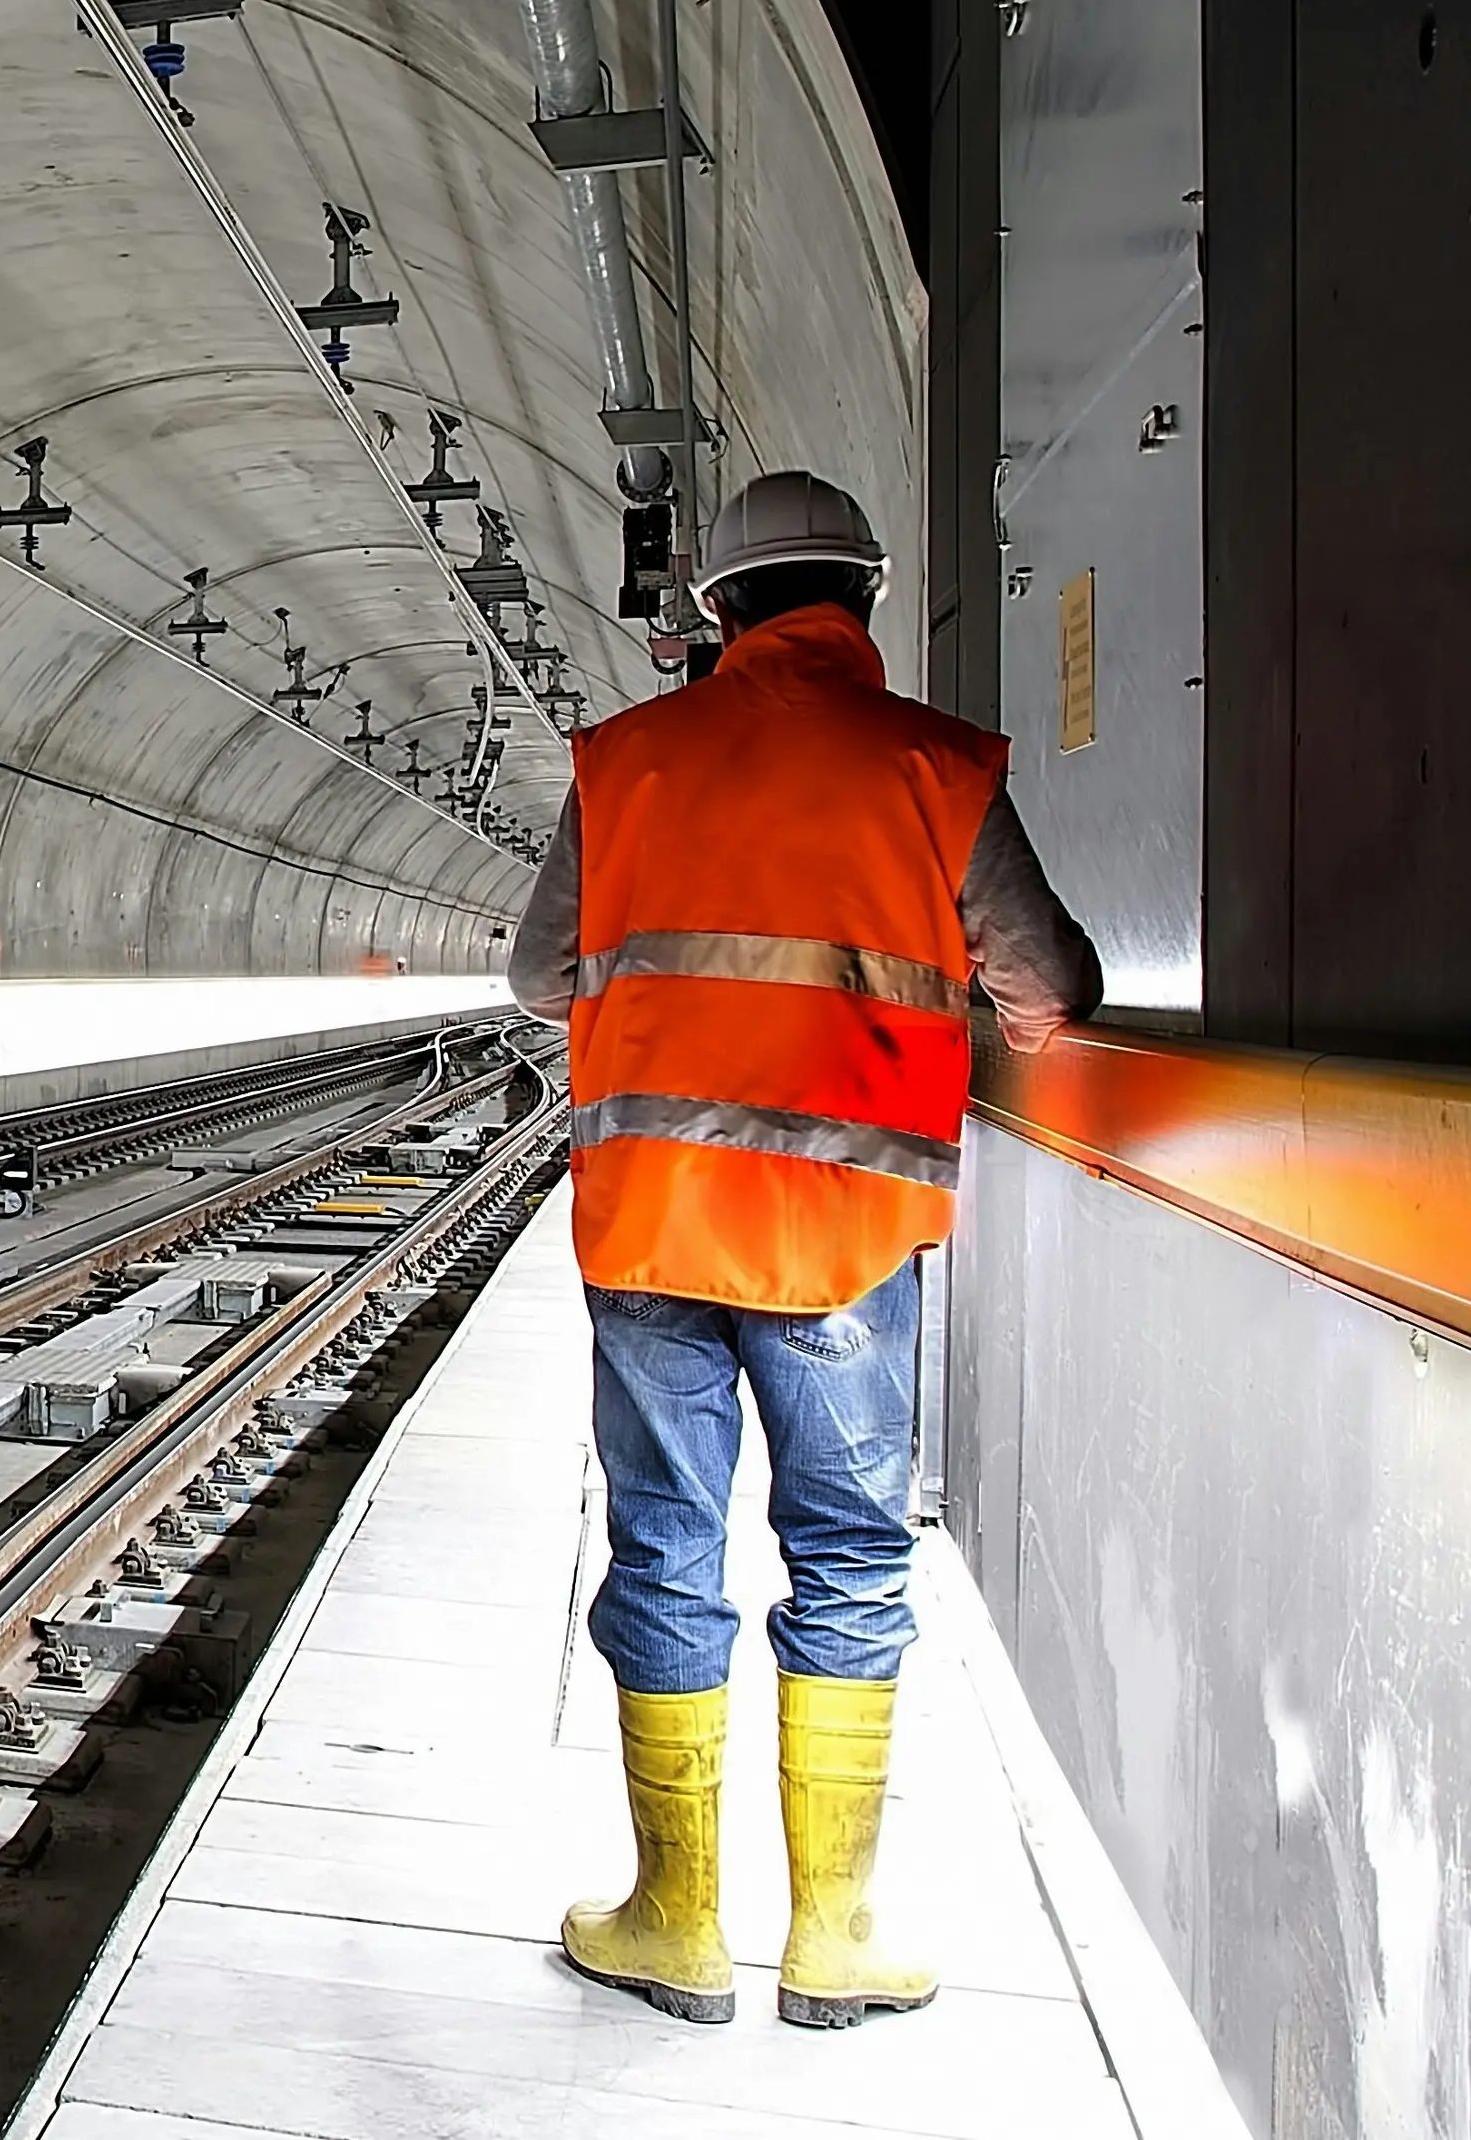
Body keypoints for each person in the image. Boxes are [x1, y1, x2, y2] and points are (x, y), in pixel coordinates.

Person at [509, 469, 1100, 2032]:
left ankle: (673, 1921)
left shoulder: (622, 764)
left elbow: (535, 974)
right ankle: (832, 1935)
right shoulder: (937, 768)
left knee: (666, 1542)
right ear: (865, 597)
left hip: (650, 1228)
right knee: (845, 1552)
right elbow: (1047, 987)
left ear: (715, 609)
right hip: (842, 1238)